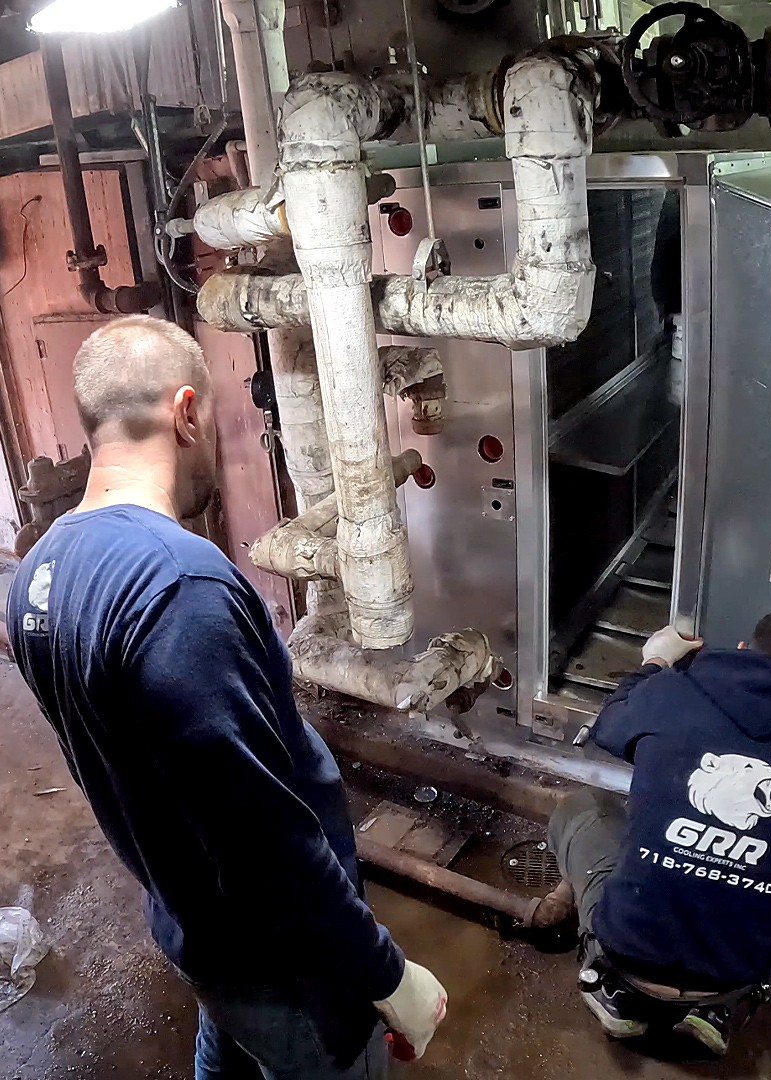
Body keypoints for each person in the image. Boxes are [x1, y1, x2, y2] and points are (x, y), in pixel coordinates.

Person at [7, 316, 446, 1080]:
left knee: (233, 1040)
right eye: (210, 417)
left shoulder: (38, 575)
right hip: (283, 966)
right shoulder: (182, 584)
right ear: (185, 412)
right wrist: (384, 974)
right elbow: (263, 840)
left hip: (193, 927)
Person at [547, 614, 771, 1046]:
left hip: (630, 951)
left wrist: (653, 662)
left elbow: (608, 728)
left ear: (743, 649)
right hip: (734, 969)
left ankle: (613, 988)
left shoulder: (670, 694)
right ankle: (716, 1008)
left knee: (582, 808)